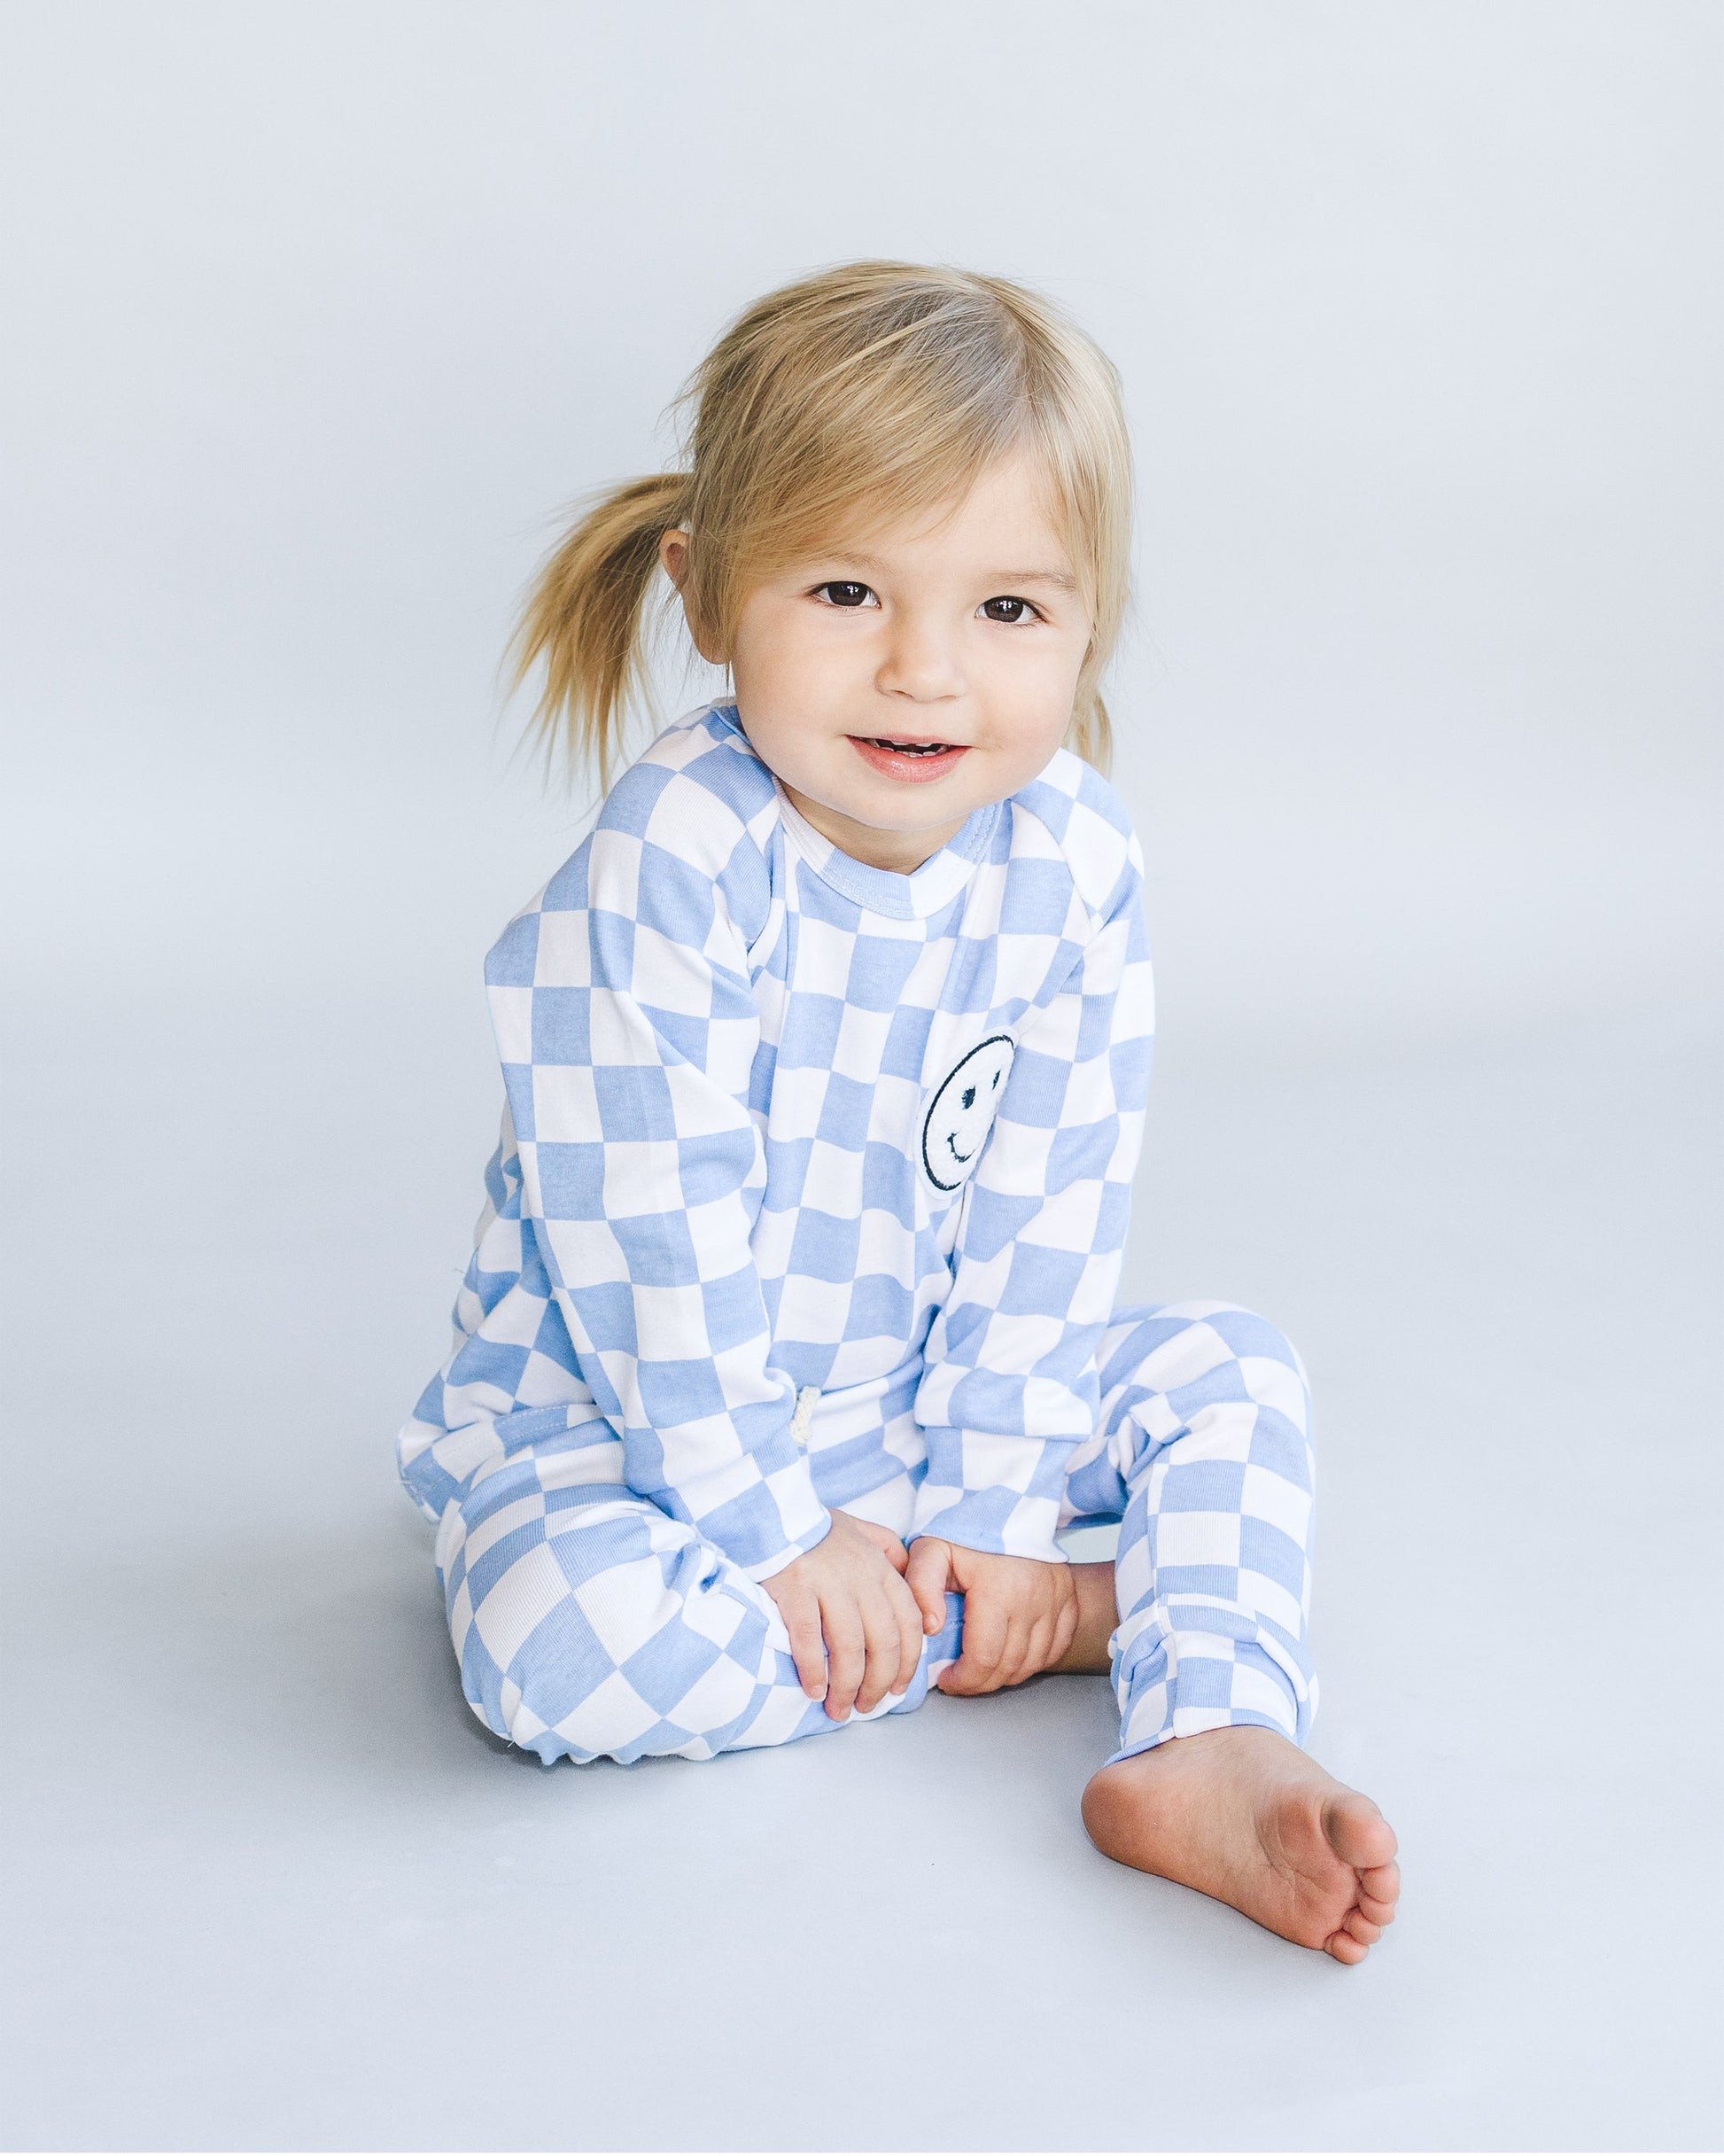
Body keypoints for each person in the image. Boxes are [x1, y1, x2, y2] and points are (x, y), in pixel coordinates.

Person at [396, 261, 1400, 1963]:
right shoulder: (674, 863)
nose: (924, 671)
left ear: (1089, 621)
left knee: (1230, 1371)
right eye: (847, 590)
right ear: (705, 595)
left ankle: (1205, 1725)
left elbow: (1048, 1208)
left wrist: (991, 1504)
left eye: (1007, 608)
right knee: (555, 1648)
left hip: (913, 1406)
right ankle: (1067, 1619)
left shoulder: (1072, 857)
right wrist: (778, 1534)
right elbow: (649, 1248)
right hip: (635, 1432)